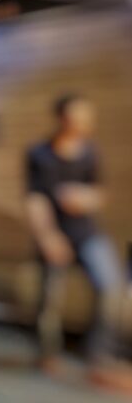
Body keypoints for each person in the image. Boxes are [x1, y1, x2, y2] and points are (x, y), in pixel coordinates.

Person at [25, 94, 132, 392]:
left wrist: (87, 198)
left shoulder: (90, 152)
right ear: (62, 118)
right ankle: (47, 354)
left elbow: (99, 192)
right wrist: (48, 237)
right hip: (53, 232)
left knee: (111, 286)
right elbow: (35, 200)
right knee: (49, 298)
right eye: (77, 117)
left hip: (86, 233)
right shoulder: (39, 154)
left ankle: (99, 356)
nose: (83, 123)